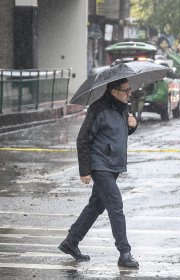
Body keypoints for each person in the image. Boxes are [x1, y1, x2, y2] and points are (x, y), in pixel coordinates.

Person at [58, 77, 139, 268]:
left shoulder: (123, 108)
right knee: (116, 205)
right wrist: (85, 170)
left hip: (113, 165)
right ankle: (124, 253)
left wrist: (132, 127)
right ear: (114, 91)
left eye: (130, 90)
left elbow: (117, 134)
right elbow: (83, 139)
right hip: (100, 164)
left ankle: (71, 242)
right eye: (126, 90)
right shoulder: (98, 109)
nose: (130, 93)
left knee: (96, 206)